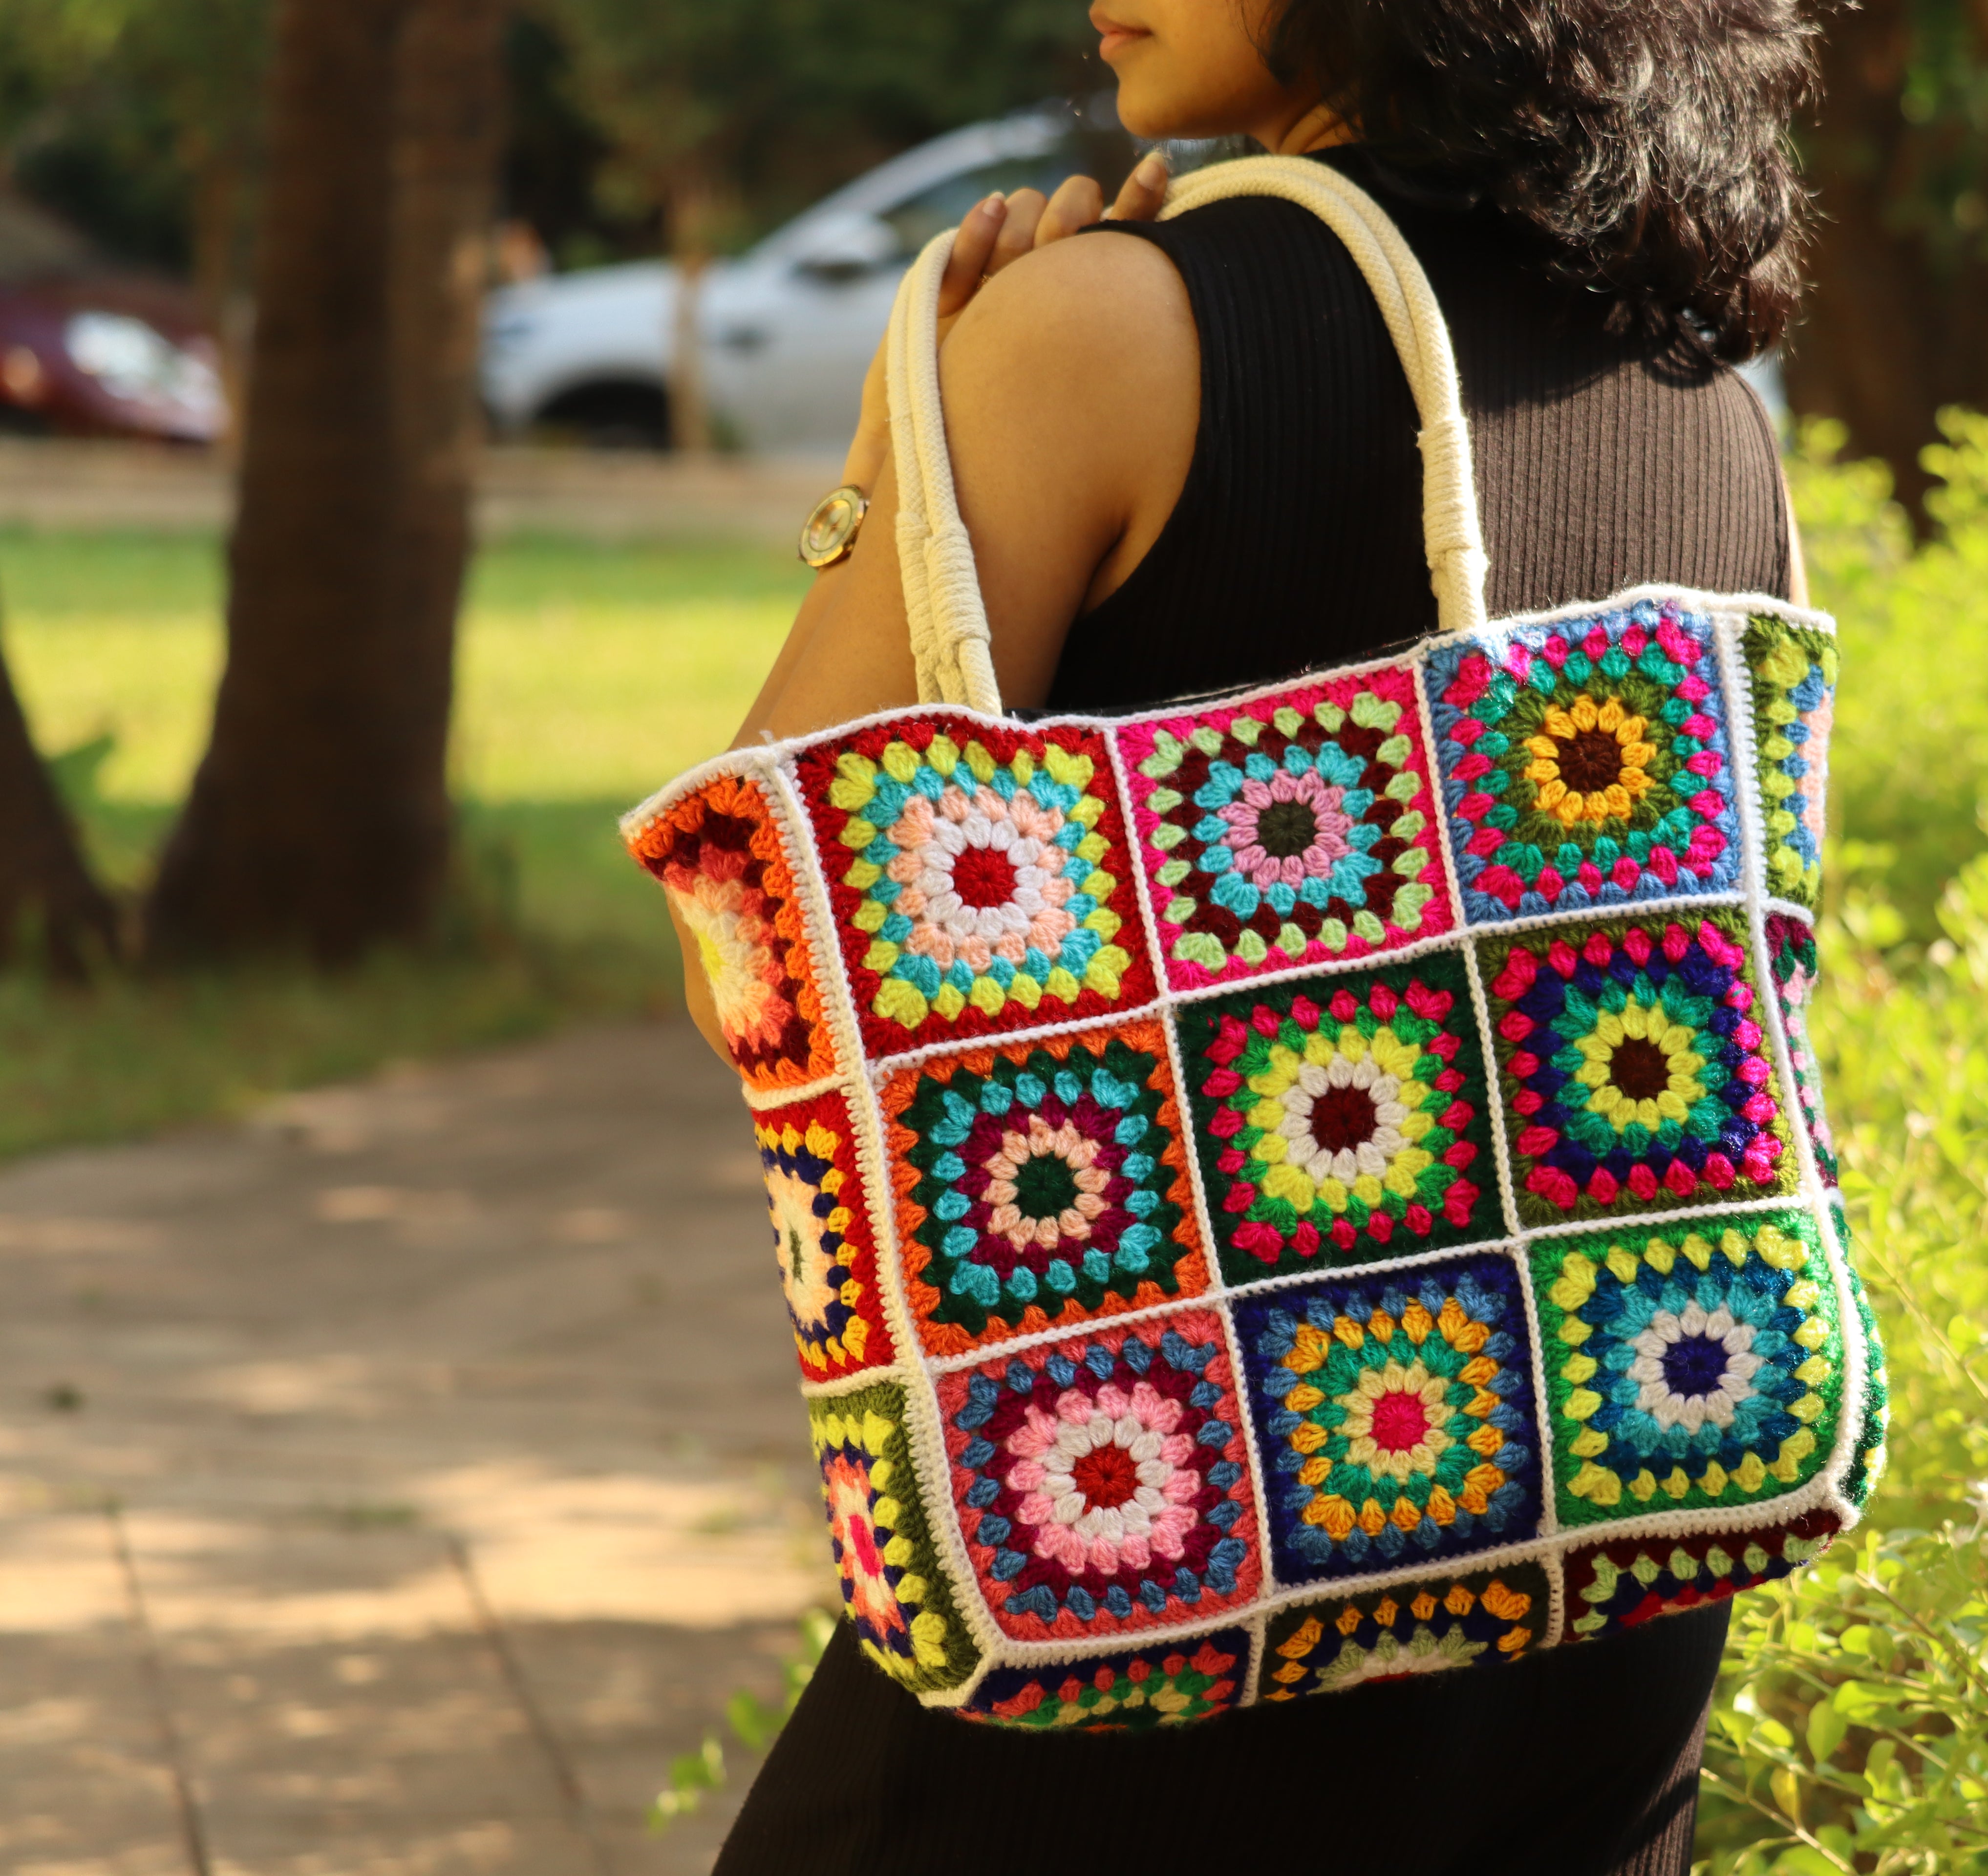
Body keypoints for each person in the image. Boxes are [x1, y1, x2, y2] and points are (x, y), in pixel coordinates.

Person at [697, 2, 1817, 1869]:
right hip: (1612, 1582)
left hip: (1165, 1582)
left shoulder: (1096, 328)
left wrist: (903, 447)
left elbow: (770, 955)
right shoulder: (1703, 395)